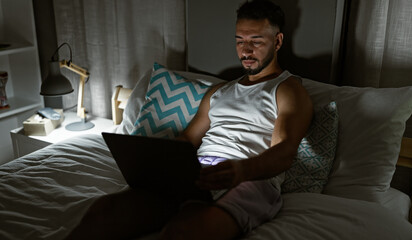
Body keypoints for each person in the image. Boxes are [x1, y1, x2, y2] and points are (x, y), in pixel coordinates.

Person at [66, 0, 313, 239]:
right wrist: (155, 165)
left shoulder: (287, 89)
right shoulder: (219, 91)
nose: (245, 50)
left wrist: (241, 170)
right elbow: (187, 140)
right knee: (104, 212)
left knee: (182, 233)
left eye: (256, 42)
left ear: (277, 41)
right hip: (198, 173)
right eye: (240, 41)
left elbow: (285, 152)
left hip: (249, 178)